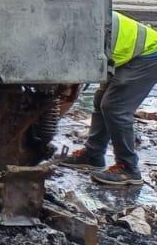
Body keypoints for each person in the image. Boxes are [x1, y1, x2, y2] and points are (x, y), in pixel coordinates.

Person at [58, 11, 157, 185]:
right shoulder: (73, 18)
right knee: (101, 100)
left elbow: (71, 87)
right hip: (127, 54)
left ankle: (129, 169)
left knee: (115, 108)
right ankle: (93, 155)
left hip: (148, 54)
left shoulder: (74, 30)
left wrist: (53, 117)